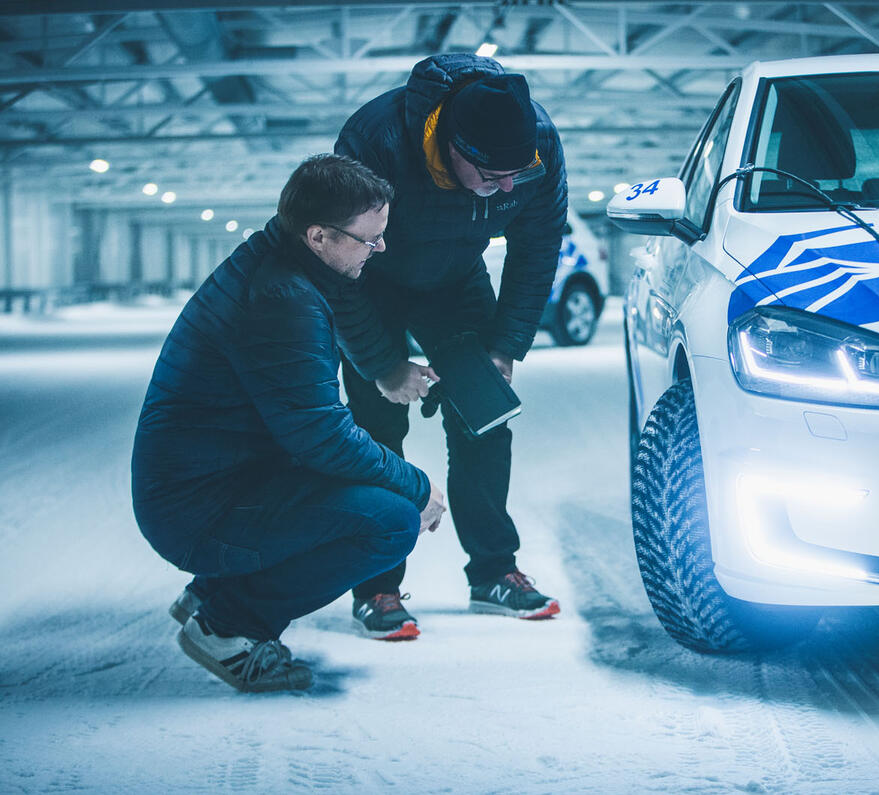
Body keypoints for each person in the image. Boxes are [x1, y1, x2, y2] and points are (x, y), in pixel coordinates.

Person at [131, 154, 446, 692]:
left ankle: (213, 593)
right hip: (196, 510)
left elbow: (310, 427)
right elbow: (321, 435)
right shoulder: (282, 298)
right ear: (319, 236)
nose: (381, 248)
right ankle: (229, 625)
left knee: (366, 489)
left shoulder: (280, 267)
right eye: (369, 239)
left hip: (207, 486)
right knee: (392, 521)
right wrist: (418, 486)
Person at [330, 53, 567, 637]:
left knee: (486, 417)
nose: (508, 186)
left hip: (455, 279)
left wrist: (506, 344)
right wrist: (382, 364)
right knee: (378, 431)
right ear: (453, 148)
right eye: (492, 178)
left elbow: (537, 248)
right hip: (369, 281)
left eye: (518, 173)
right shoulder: (374, 142)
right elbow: (335, 266)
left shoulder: (534, 145)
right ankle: (378, 588)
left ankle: (493, 572)